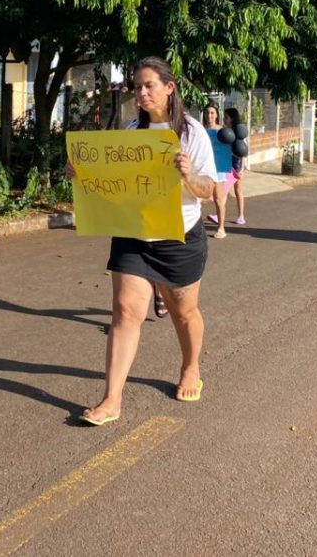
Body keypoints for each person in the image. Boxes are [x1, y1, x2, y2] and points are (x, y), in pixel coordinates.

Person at [80, 56, 218, 425]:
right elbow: (114, 186)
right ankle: (111, 399)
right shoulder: (129, 132)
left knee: (183, 311)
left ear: (169, 88)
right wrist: (82, 172)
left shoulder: (191, 132)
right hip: (134, 234)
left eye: (148, 86)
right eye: (136, 87)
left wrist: (189, 175)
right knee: (126, 310)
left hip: (178, 237)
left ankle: (191, 366)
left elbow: (208, 188)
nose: (140, 93)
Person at [202, 103, 230, 240]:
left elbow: (230, 147)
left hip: (218, 169)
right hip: (204, 169)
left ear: (217, 115)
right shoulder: (201, 130)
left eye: (212, 113)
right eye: (207, 113)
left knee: (218, 199)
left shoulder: (222, 131)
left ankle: (221, 228)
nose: (209, 116)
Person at [223, 107, 247, 225]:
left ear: (232, 118)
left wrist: (242, 168)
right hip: (227, 163)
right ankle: (219, 215)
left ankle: (241, 215)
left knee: (238, 190)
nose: (224, 119)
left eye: (226, 117)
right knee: (223, 190)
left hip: (236, 164)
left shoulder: (238, 132)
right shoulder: (225, 131)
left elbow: (243, 151)